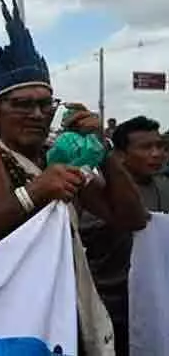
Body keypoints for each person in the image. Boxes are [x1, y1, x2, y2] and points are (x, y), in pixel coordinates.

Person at [0, 0, 148, 355]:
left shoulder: (61, 160)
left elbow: (131, 218)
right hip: (0, 331)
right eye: (23, 104)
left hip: (64, 315)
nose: (37, 113)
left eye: (46, 104)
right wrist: (33, 194)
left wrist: (101, 149)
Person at [80, 116, 169, 356]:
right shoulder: (99, 189)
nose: (157, 154)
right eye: (146, 147)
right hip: (113, 305)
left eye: (161, 147)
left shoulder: (164, 186)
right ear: (119, 155)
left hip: (157, 302)